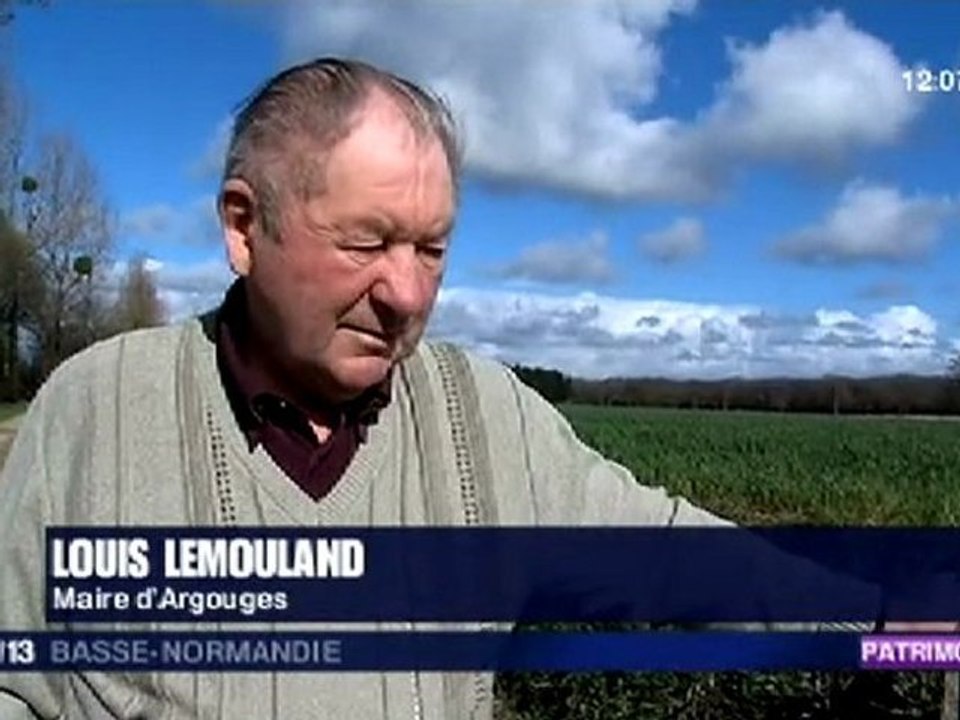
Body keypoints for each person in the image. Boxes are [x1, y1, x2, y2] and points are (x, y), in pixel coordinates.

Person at [0, 57, 866, 720]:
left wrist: (887, 621)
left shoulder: (483, 421)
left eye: (432, 249)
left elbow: (677, 558)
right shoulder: (96, 411)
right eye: (367, 243)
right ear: (243, 226)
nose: (408, 294)